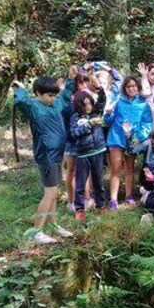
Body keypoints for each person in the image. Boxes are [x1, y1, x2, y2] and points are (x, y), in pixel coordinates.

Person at [13, 76, 75, 244]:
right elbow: (21, 102)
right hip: (46, 155)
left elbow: (65, 95)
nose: (53, 98)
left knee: (54, 193)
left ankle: (53, 224)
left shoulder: (55, 104)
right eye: (49, 95)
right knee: (50, 193)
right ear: (38, 93)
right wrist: (19, 88)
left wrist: (70, 79)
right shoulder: (34, 107)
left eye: (54, 95)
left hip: (58, 154)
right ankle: (36, 231)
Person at [104, 76, 154, 209]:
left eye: (134, 86)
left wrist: (140, 137)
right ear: (125, 88)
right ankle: (113, 199)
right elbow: (108, 121)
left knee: (130, 169)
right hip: (116, 138)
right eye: (128, 86)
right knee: (116, 169)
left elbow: (147, 123)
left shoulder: (143, 104)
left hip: (133, 140)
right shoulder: (118, 102)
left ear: (138, 87)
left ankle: (129, 196)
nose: (131, 89)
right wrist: (108, 114)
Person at [69, 93, 108, 221]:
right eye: (85, 104)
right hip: (83, 154)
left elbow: (102, 100)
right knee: (80, 184)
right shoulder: (75, 118)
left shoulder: (96, 113)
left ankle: (101, 206)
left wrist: (99, 89)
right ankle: (79, 209)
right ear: (79, 105)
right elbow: (75, 133)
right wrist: (88, 124)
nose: (88, 106)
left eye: (90, 103)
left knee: (99, 183)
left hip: (98, 151)